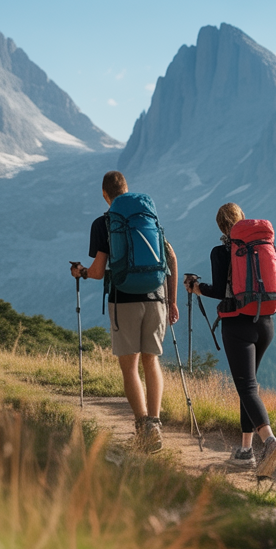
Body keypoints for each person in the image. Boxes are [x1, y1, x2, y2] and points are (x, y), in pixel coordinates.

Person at [71, 170, 179, 452]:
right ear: (127, 189)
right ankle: (155, 423)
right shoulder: (148, 216)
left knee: (129, 367)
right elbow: (171, 258)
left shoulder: (103, 222)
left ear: (105, 195)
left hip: (124, 300)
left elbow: (97, 271)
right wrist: (172, 301)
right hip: (157, 297)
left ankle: (143, 428)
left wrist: (81, 272)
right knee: (151, 361)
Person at [185, 203, 276, 478]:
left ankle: (270, 442)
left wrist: (197, 287)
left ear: (221, 226)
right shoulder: (263, 245)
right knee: (248, 386)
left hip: (237, 325)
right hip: (265, 322)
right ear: (242, 221)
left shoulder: (221, 251)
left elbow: (220, 290)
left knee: (246, 386)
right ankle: (245, 451)